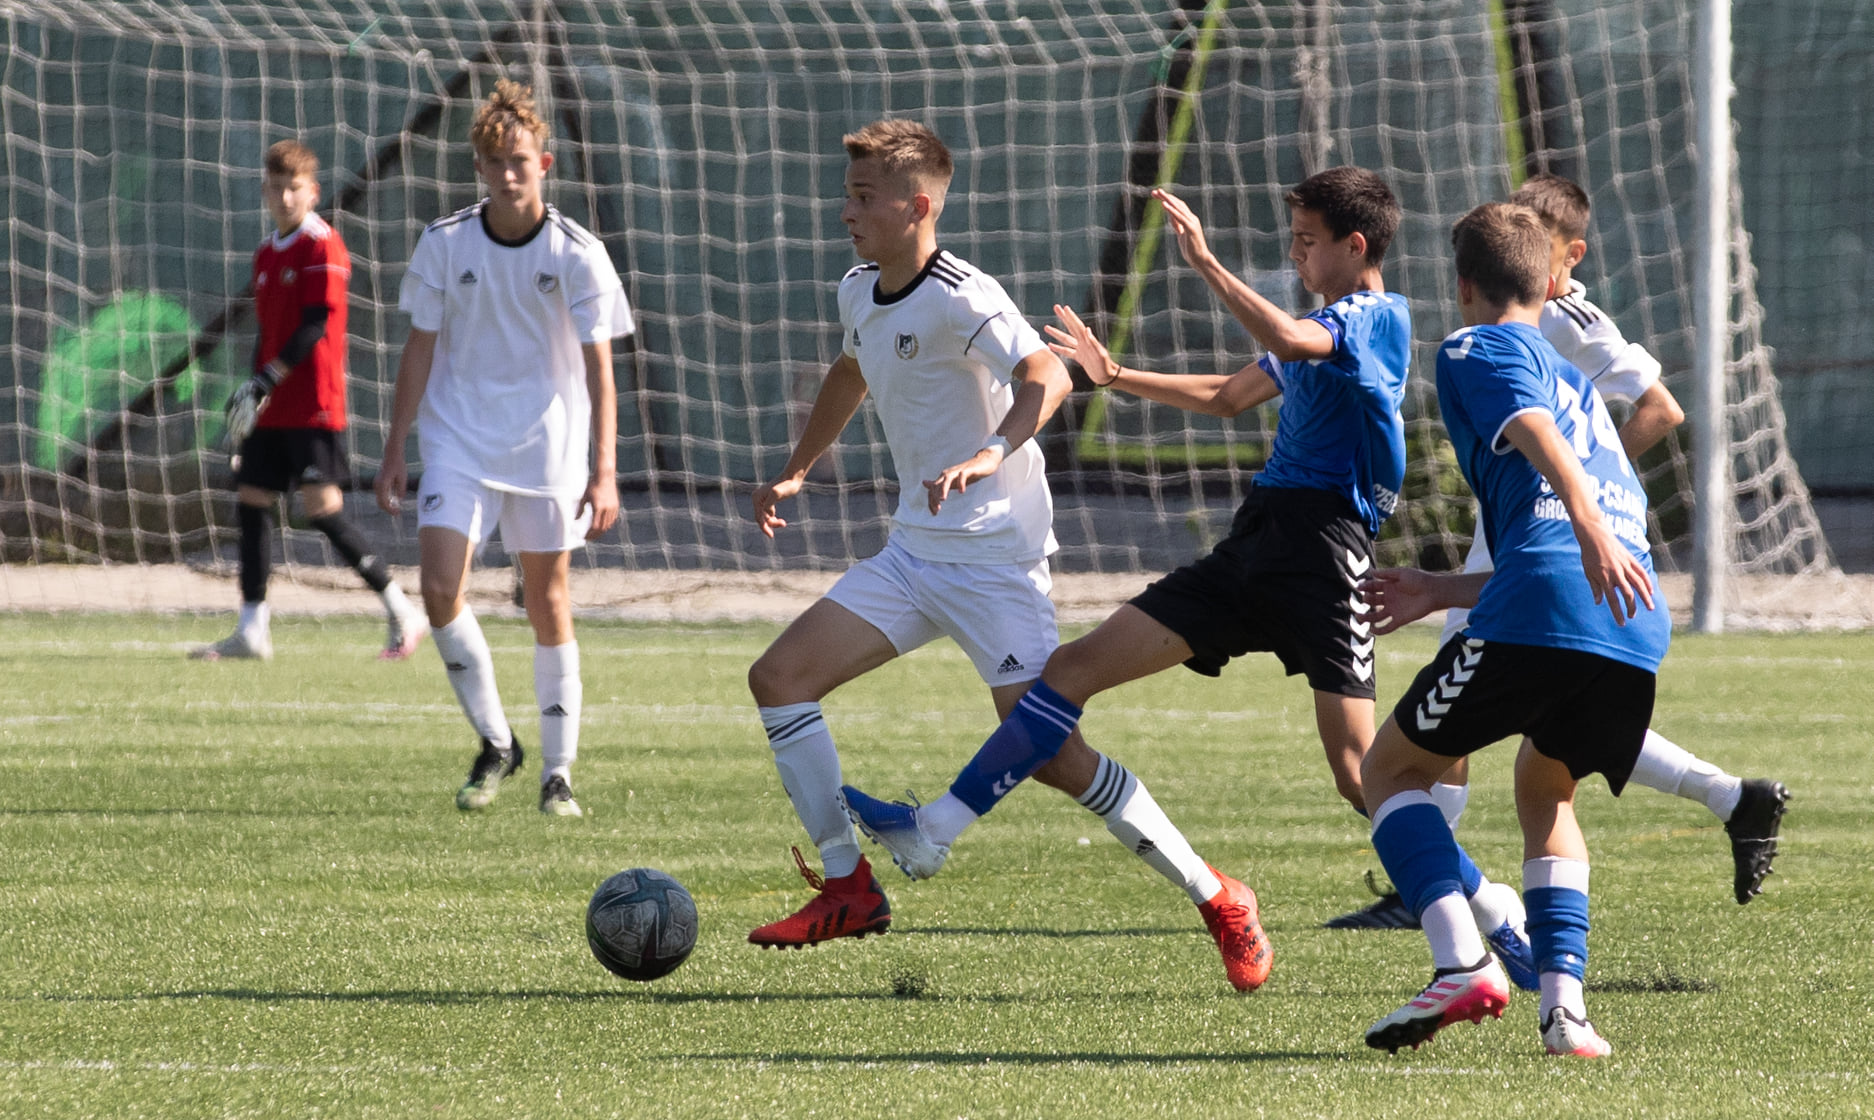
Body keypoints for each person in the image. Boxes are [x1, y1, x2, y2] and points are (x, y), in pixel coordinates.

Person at [843, 167, 1535, 987]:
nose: (1296, 254)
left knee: (1362, 776)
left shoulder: (1375, 317)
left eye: (1307, 242)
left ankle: (1493, 910)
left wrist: (1206, 263)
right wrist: (1114, 376)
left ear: (1356, 247)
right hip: (1255, 546)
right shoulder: (1319, 325)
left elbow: (1290, 342)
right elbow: (1229, 394)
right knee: (1068, 672)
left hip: (1324, 559)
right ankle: (933, 830)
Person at [744, 119, 1266, 991]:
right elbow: (851, 370)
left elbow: (1047, 374)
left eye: (864, 198)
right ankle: (847, 886)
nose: (846, 213)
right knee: (779, 679)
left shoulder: (965, 294)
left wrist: (993, 451)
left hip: (994, 566)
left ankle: (1218, 896)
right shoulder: (857, 289)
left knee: (1057, 757)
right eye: (847, 196)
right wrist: (797, 468)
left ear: (917, 207)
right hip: (913, 556)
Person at [1327, 173, 1787, 930]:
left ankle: (1436, 898)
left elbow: (1657, 408)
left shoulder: (1556, 323)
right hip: (1544, 536)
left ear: (1560, 258)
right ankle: (1726, 798)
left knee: (1435, 742)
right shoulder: (1534, 324)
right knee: (1547, 758)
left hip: (1553, 535)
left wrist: (1587, 504)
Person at [1359, 201, 1672, 1058]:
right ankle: (1565, 1013)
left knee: (1389, 770)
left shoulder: (1476, 347)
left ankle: (1462, 962)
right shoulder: (1584, 392)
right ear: (1548, 282)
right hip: (1633, 620)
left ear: (1464, 286)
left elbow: (1530, 433)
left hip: (1553, 598)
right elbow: (1559, 534)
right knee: (1546, 788)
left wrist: (1586, 520)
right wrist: (1442, 588)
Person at [374, 80, 632, 817]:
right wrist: (395, 448)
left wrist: (604, 470)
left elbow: (600, 369)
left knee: (548, 602)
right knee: (438, 588)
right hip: (457, 440)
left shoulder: (577, 252)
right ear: (479, 168)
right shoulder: (445, 242)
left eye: (520, 160)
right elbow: (419, 348)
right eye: (495, 161)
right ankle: (496, 742)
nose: (508, 172)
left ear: (543, 163)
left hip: (548, 448)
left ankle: (559, 773)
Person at [193, 139, 426, 663]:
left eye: (294, 188)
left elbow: (315, 326)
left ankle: (401, 608)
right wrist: (253, 389)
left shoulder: (323, 245)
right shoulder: (265, 252)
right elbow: (268, 331)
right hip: (272, 405)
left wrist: (267, 379)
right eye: (276, 188)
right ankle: (252, 630)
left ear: (313, 192)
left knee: (322, 509)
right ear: (265, 191)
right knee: (252, 498)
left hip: (314, 404)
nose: (285, 198)